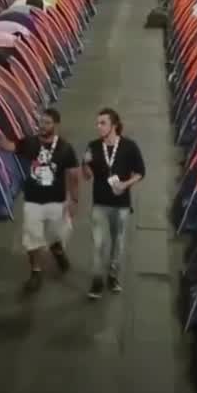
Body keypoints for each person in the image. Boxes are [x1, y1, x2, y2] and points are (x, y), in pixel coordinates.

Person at [11, 108, 79, 292]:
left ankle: (57, 248)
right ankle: (35, 272)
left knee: (60, 233)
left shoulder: (65, 148)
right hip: (33, 201)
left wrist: (74, 200)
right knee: (32, 238)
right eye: (41, 121)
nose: (42, 125)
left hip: (57, 201)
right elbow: (12, 147)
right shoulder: (30, 143)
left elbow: (73, 175)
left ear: (56, 125)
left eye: (47, 122)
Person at [81, 108, 145, 299]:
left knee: (118, 243)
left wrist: (125, 184)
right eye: (98, 123)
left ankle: (113, 275)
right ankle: (97, 281)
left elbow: (140, 172)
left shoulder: (129, 147)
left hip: (121, 205)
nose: (98, 126)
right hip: (100, 204)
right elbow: (86, 177)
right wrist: (85, 164)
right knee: (98, 244)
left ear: (114, 125)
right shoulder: (93, 146)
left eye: (103, 123)